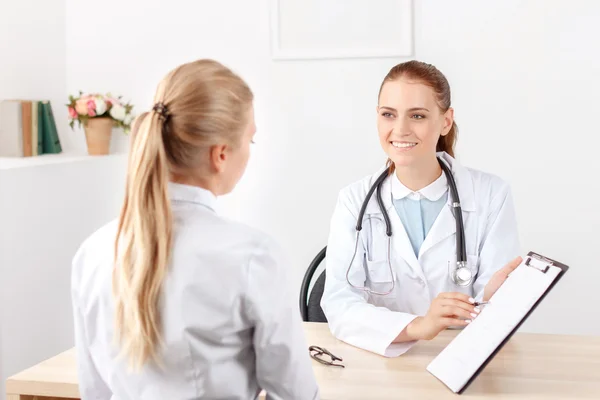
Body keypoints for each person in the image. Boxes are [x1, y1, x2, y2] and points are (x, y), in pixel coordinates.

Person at [70, 59, 319, 399]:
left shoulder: (93, 252)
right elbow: (294, 394)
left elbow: (93, 391)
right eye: (251, 140)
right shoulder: (252, 256)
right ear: (220, 155)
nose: (250, 151)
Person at [320, 60, 522, 357]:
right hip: (382, 364)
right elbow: (339, 304)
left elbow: (497, 310)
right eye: (388, 114)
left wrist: (496, 300)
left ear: (445, 121)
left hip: (463, 358)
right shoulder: (354, 200)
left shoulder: (490, 195)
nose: (400, 130)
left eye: (417, 115)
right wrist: (419, 326)